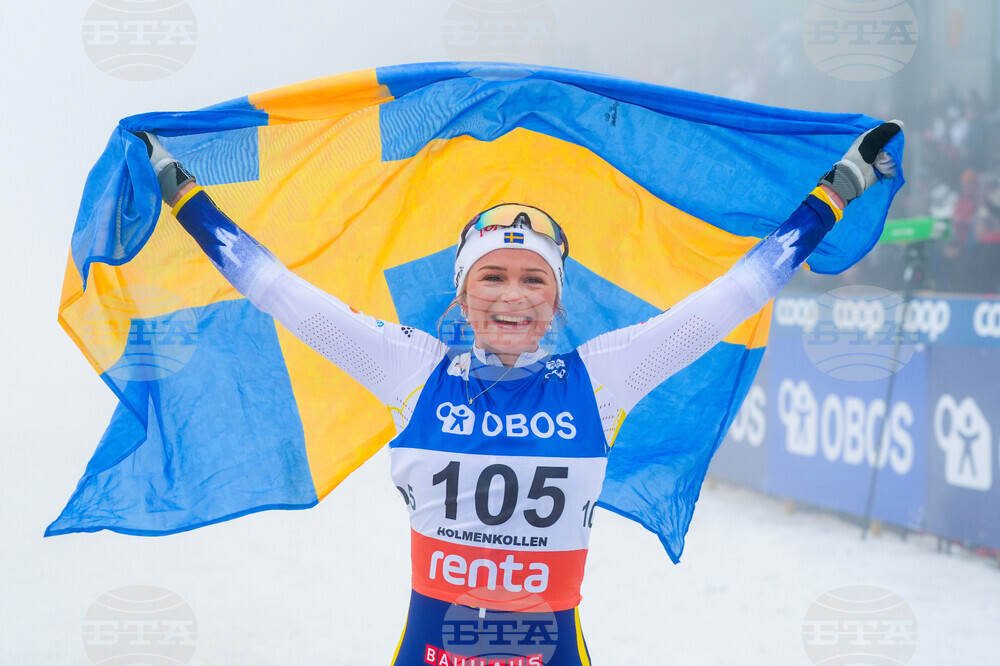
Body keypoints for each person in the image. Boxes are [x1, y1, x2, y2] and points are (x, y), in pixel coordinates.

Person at [134, 120, 901, 666]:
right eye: (491, 277)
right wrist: (182, 192)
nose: (512, 295)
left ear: (556, 301)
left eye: (534, 278)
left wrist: (835, 191)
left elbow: (732, 297)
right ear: (462, 297)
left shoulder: (600, 379)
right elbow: (282, 293)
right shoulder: (413, 372)